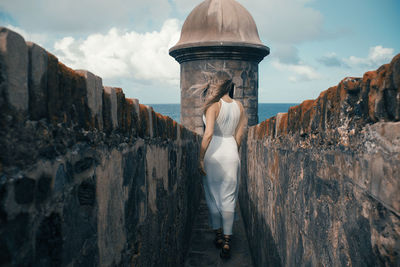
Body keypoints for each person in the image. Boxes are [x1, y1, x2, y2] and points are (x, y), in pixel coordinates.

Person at [198, 71, 247, 259]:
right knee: (229, 196)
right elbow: (239, 136)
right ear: (229, 86)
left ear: (215, 85)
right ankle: (227, 241)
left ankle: (218, 236)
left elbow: (208, 134)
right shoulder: (240, 106)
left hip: (213, 154)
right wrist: (234, 151)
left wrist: (200, 158)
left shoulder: (213, 106)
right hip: (231, 152)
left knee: (212, 195)